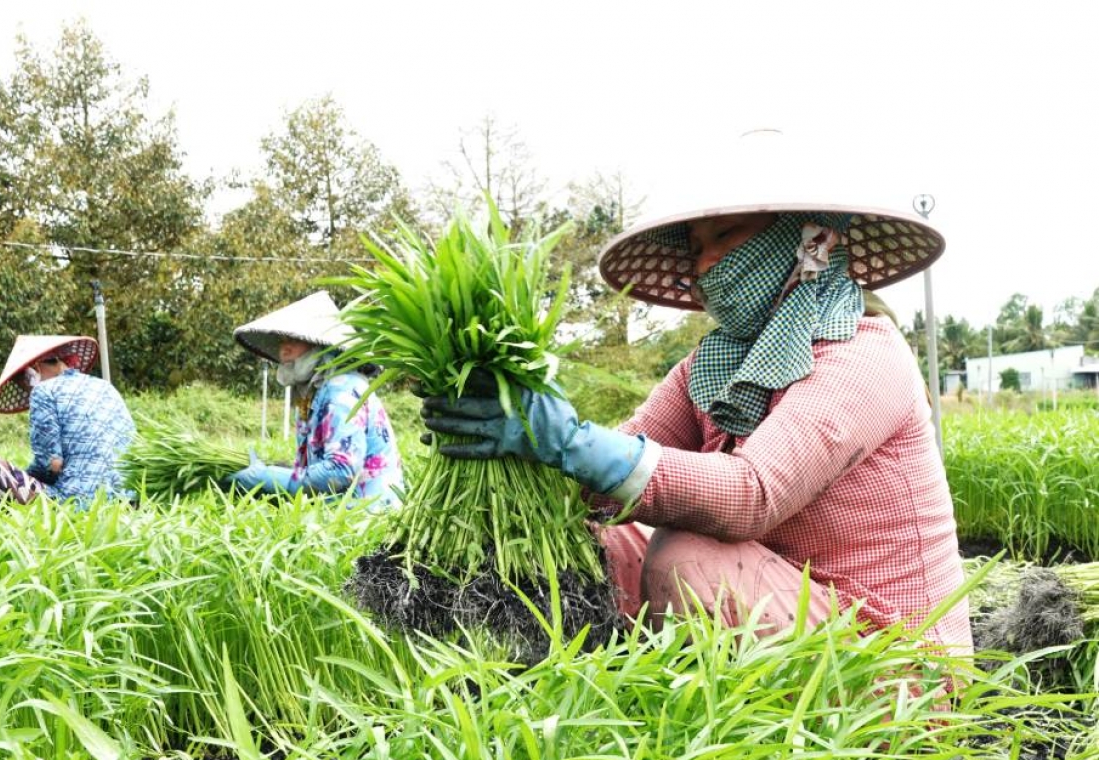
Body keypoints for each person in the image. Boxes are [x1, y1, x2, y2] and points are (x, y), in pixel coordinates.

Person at [421, 171, 973, 655]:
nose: (707, 263)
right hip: (784, 609)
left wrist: (570, 441)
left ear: (812, 239)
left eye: (726, 237)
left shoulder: (863, 352)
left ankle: (736, 736)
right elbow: (612, 477)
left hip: (890, 658)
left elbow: (750, 495)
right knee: (598, 540)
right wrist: (521, 436)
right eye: (697, 246)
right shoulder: (710, 366)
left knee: (685, 559)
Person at [228, 290, 404, 508]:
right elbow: (312, 464)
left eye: (293, 339)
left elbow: (341, 471)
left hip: (368, 513)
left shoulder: (342, 390)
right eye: (282, 340)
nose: (284, 349)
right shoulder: (311, 393)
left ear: (318, 344)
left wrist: (271, 477)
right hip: (336, 509)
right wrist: (275, 469)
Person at [0, 335, 136, 506]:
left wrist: (24, 476)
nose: (29, 391)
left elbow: (52, 464)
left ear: (32, 371)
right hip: (127, 496)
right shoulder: (105, 387)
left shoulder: (42, 391)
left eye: (25, 385)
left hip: (80, 500)